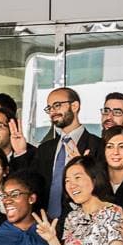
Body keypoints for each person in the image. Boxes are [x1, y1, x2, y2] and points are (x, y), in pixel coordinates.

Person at [12, 87, 103, 218]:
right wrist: (21, 152)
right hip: (44, 223)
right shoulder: (45, 148)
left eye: (57, 105)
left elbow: (104, 188)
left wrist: (83, 167)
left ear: (75, 106)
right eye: (49, 108)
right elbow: (29, 183)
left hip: (80, 223)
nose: (53, 112)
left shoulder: (97, 145)